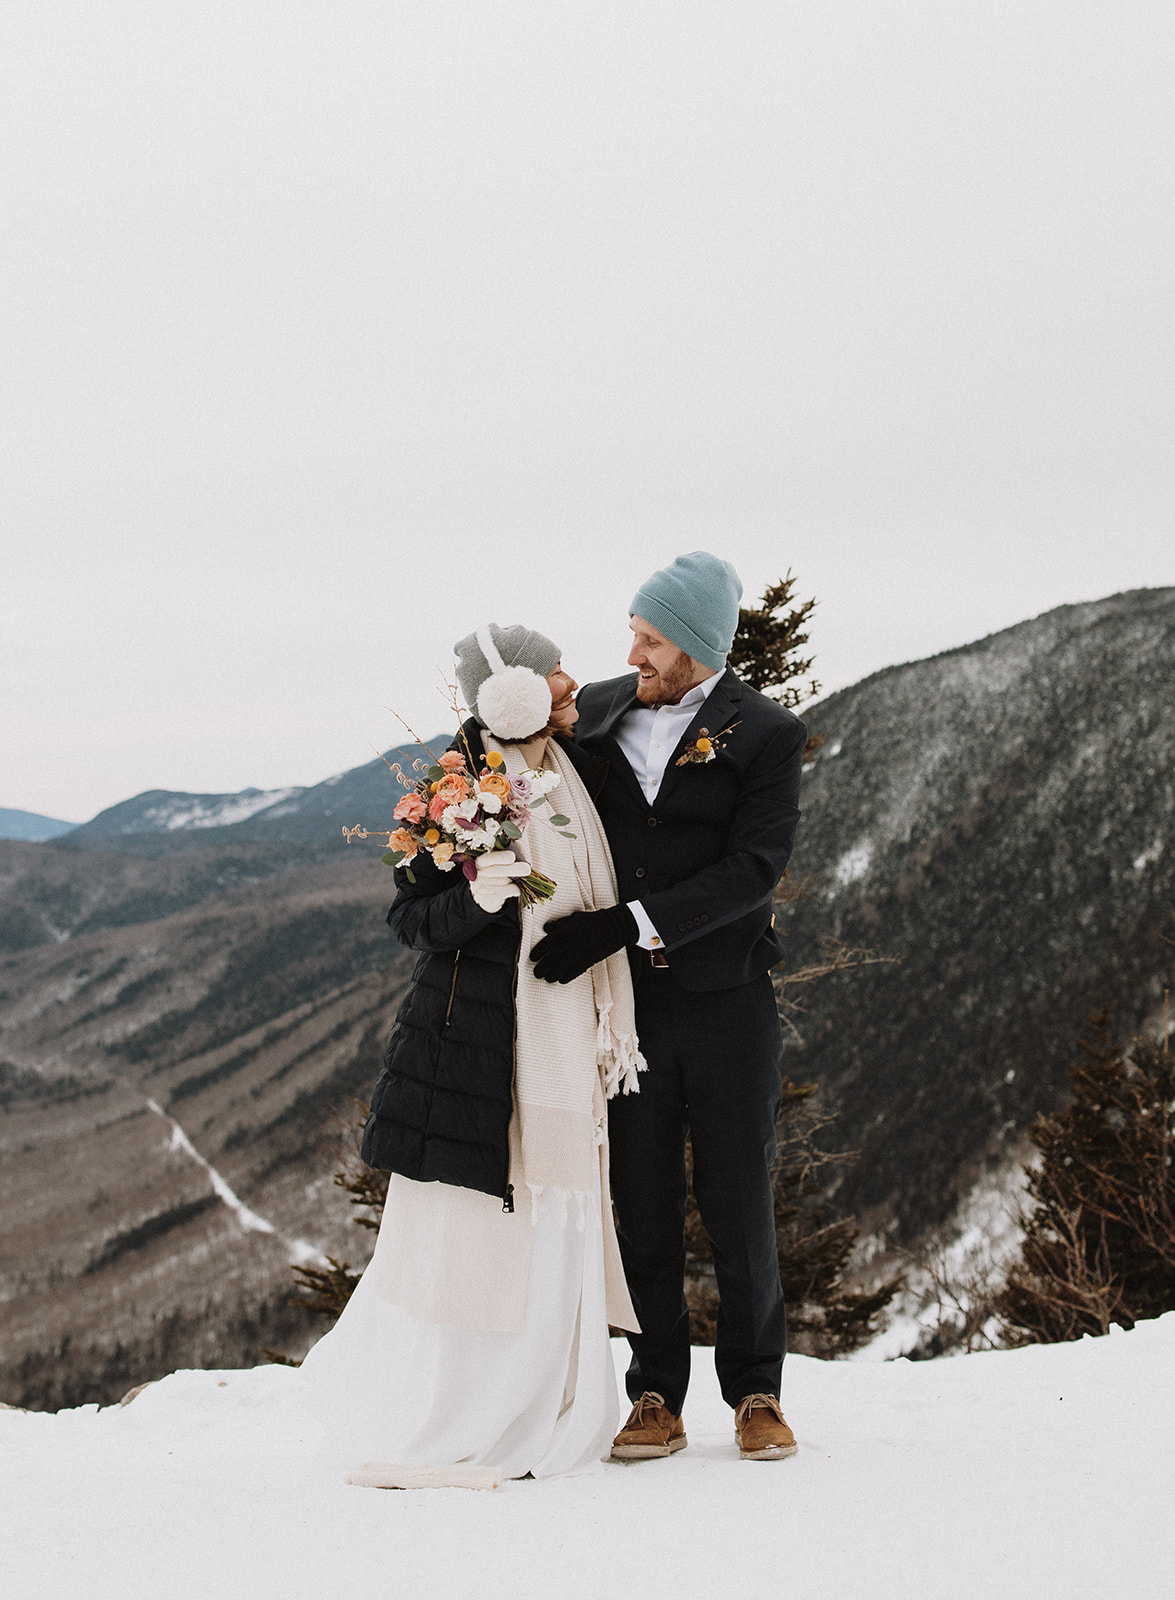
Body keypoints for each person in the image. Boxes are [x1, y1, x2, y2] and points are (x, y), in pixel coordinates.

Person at [299, 623, 643, 1481]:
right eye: (553, 678)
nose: (572, 689)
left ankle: (555, 1394)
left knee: (558, 1200)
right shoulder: (449, 788)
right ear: (512, 693)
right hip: (483, 1042)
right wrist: (479, 901)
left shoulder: (577, 767)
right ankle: (477, 1404)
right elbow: (411, 920)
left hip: (569, 1029)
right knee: (488, 1220)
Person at [528, 552, 807, 1461]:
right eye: (634, 635)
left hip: (727, 1000)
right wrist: (536, 697)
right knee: (639, 1200)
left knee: (737, 1199)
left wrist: (630, 923)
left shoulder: (764, 735)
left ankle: (756, 1391)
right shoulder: (602, 708)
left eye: (649, 638)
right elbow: (524, 742)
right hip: (622, 1014)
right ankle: (653, 1393)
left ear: (692, 644)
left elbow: (752, 869)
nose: (634, 651)